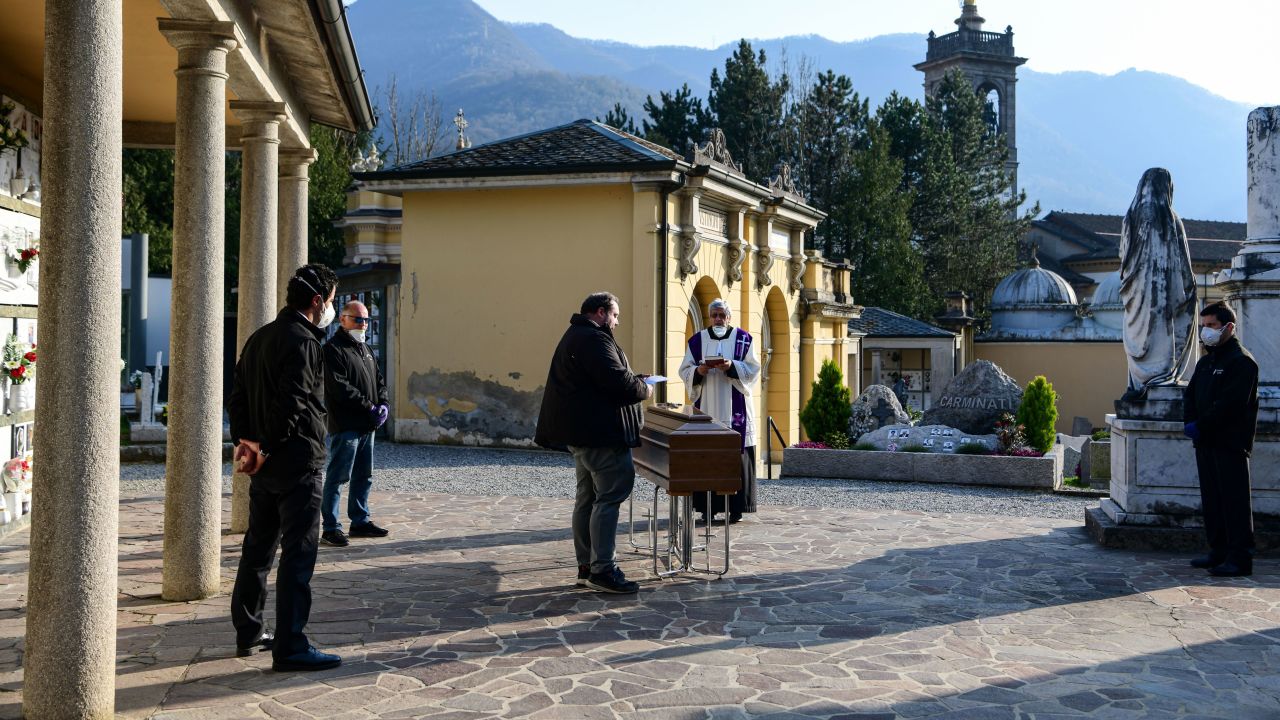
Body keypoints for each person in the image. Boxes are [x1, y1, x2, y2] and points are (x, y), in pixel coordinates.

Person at [228, 264, 343, 671]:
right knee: (298, 554)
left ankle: (249, 630)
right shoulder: (305, 342)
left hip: (263, 465)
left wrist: (247, 444)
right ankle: (291, 644)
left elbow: (237, 397)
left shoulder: (258, 338)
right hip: (296, 462)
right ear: (316, 301)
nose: (330, 309)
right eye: (330, 302)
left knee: (257, 549)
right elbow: (292, 404)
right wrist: (269, 446)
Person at [535, 291, 652, 594]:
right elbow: (616, 382)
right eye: (615, 315)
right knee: (609, 496)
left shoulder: (578, 335)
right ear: (600, 312)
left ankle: (586, 566)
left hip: (583, 432)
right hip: (600, 435)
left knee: (587, 499)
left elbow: (600, 379)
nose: (617, 321)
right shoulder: (593, 339)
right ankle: (602, 570)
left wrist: (633, 378)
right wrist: (643, 388)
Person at [1183, 300, 1259, 577]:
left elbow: (1230, 404)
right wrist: (1190, 422)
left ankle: (1239, 558)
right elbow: (1190, 395)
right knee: (1213, 499)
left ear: (1228, 327)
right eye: (1203, 326)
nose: (1206, 332)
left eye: (1212, 326)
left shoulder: (1241, 362)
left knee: (1234, 502)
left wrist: (1201, 424)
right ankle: (1218, 551)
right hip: (1205, 441)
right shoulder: (1206, 361)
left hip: (1230, 443)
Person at [678, 298, 761, 525]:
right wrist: (699, 370)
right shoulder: (697, 341)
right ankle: (708, 508)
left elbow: (754, 369)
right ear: (709, 316)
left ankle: (736, 509)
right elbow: (684, 370)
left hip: (737, 409)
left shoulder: (744, 339)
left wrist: (731, 366)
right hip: (708, 407)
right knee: (708, 454)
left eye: (722, 315)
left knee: (737, 454)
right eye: (714, 315)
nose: (718, 319)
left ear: (729, 317)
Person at [320, 300, 390, 547]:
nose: (363, 324)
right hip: (347, 424)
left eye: (366, 319)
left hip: (367, 425)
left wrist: (383, 403)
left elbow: (379, 381)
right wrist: (368, 406)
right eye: (358, 319)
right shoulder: (333, 350)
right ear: (343, 320)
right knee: (339, 476)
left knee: (364, 475)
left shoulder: (366, 349)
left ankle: (360, 521)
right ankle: (330, 527)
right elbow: (340, 388)